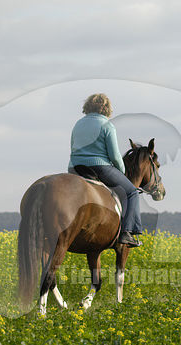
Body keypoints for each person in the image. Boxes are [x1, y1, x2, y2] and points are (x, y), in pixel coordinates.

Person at [68, 93, 143, 247]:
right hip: (98, 167)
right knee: (132, 192)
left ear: (87, 106)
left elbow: (72, 147)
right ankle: (127, 233)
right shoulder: (107, 125)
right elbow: (115, 156)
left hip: (74, 167)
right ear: (107, 108)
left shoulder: (78, 124)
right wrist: (122, 172)